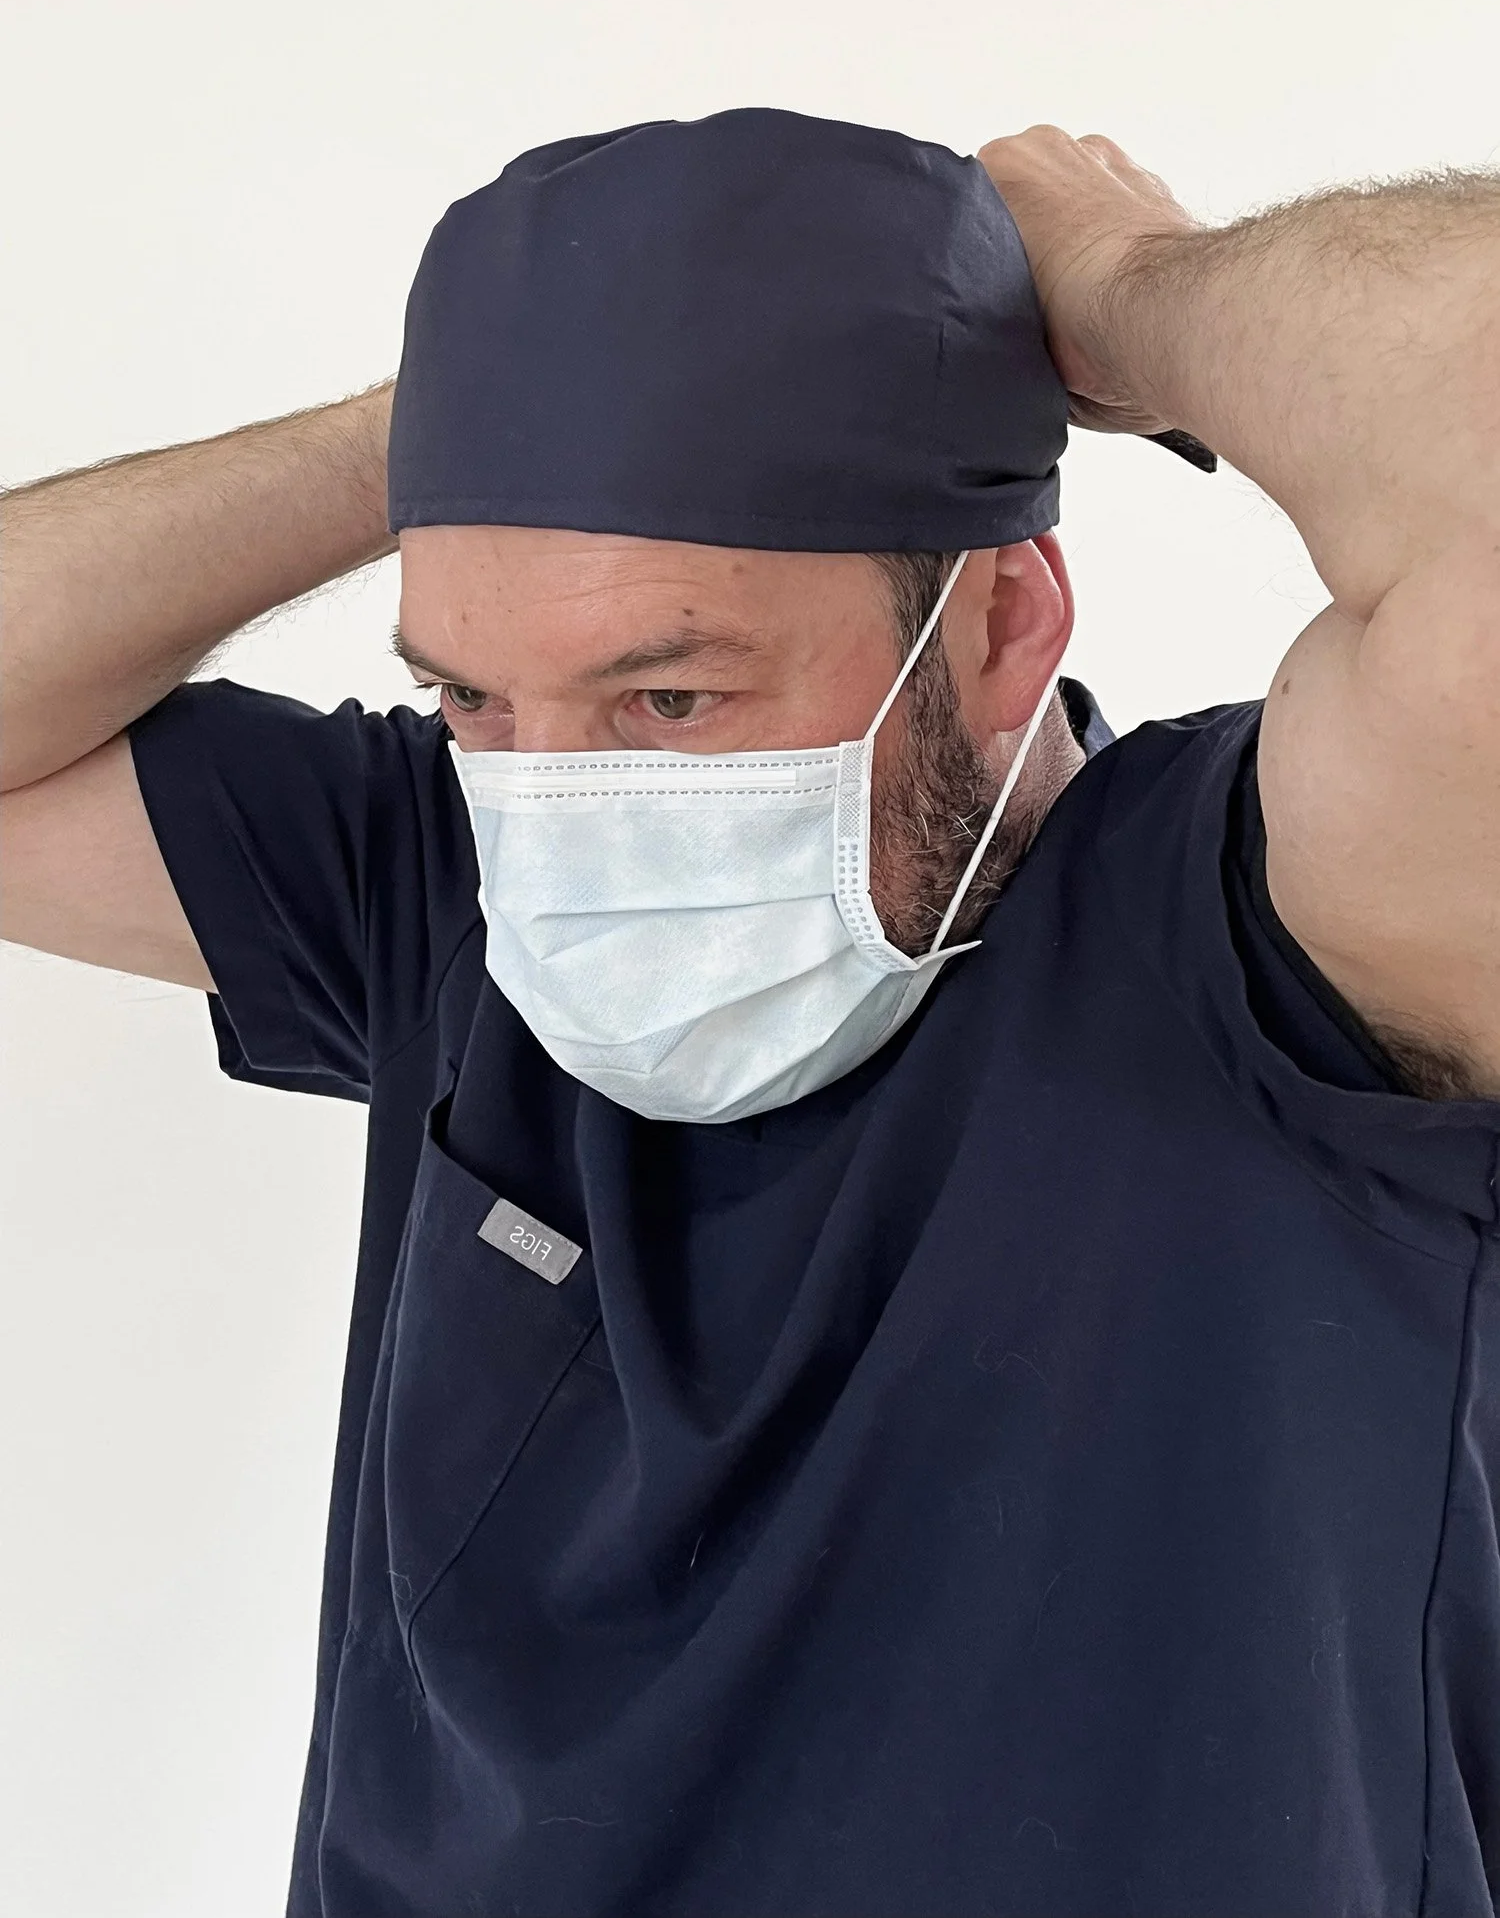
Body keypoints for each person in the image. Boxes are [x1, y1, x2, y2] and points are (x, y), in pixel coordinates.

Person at [2, 109, 1497, 1918]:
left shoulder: (1293, 944)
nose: (560, 809)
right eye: (474, 695)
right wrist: (469, 427)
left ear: (1005, 625)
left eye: (673, 700)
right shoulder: (452, 879)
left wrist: (1123, 281)